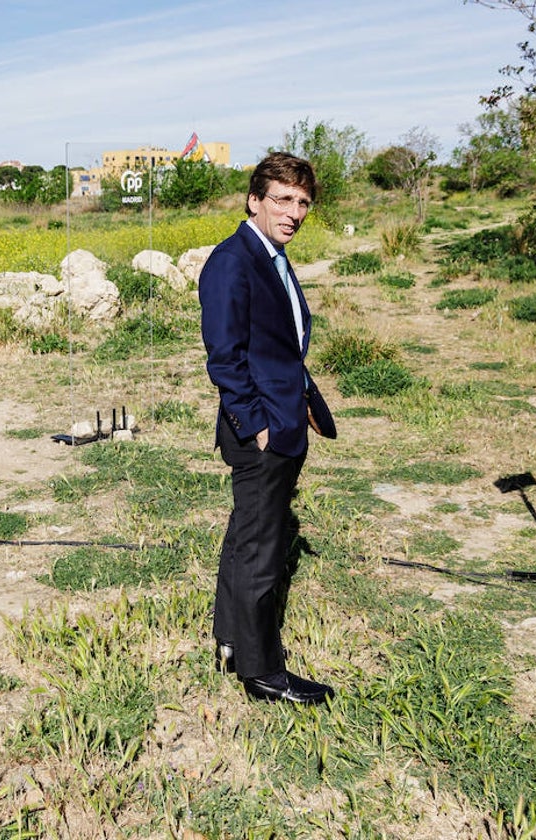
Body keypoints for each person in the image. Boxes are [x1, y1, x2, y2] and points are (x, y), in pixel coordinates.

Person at [199, 151, 336, 706]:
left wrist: (300, 397)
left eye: (302, 202)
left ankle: (232, 640)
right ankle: (264, 674)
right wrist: (256, 424)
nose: (294, 211)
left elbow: (277, 344)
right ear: (255, 200)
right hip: (261, 430)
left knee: (248, 536)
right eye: (283, 199)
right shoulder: (233, 262)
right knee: (262, 547)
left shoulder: (271, 255)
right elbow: (224, 357)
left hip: (283, 414)